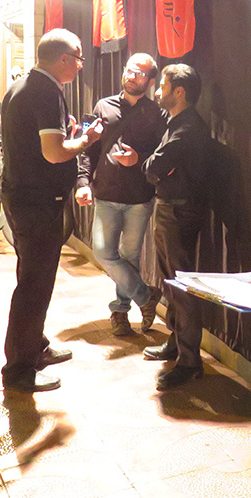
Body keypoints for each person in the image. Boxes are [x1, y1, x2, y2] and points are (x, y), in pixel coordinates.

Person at [0, 28, 104, 393]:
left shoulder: (22, 85)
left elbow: (41, 143)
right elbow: (54, 153)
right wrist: (86, 140)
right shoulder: (45, 91)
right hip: (37, 203)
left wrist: (68, 134)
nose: (79, 66)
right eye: (78, 59)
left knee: (30, 277)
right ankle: (19, 371)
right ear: (63, 59)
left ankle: (35, 347)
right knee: (34, 285)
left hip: (19, 197)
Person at [75, 53, 167, 337]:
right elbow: (89, 148)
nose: (131, 76)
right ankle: (146, 296)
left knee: (130, 257)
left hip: (139, 198)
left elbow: (163, 157)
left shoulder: (157, 113)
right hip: (105, 194)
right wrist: (82, 182)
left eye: (139, 73)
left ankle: (119, 312)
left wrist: (138, 159)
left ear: (150, 81)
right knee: (103, 252)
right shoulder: (104, 105)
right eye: (129, 70)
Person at [141, 63, 219, 390]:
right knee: (171, 282)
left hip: (177, 212)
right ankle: (176, 345)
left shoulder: (187, 128)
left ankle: (189, 361)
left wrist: (153, 166)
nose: (157, 92)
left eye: (162, 86)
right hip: (172, 209)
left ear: (179, 92)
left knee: (179, 285)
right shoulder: (177, 123)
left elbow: (153, 166)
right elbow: (158, 167)